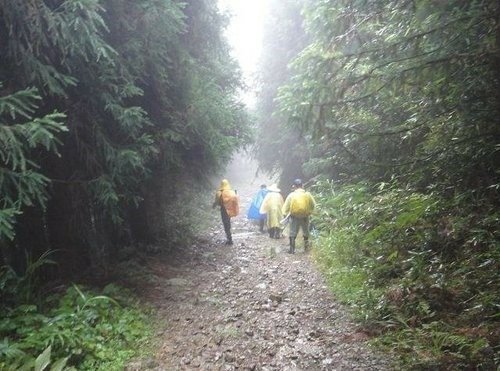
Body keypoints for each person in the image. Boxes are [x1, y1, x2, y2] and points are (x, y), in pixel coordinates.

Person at [282, 178, 316, 253]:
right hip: (305, 216)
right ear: (302, 186)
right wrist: (310, 212)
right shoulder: (308, 195)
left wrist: (285, 215)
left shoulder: (291, 195)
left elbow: (285, 207)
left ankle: (292, 249)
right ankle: (306, 248)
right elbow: (313, 205)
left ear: (294, 186)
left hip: (294, 217)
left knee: (292, 232)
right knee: (306, 231)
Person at [213, 179, 239, 245]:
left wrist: (214, 206)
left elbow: (217, 201)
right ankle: (229, 236)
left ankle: (229, 238)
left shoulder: (219, 192)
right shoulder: (231, 192)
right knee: (228, 221)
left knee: (225, 223)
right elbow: (236, 199)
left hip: (223, 209)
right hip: (230, 209)